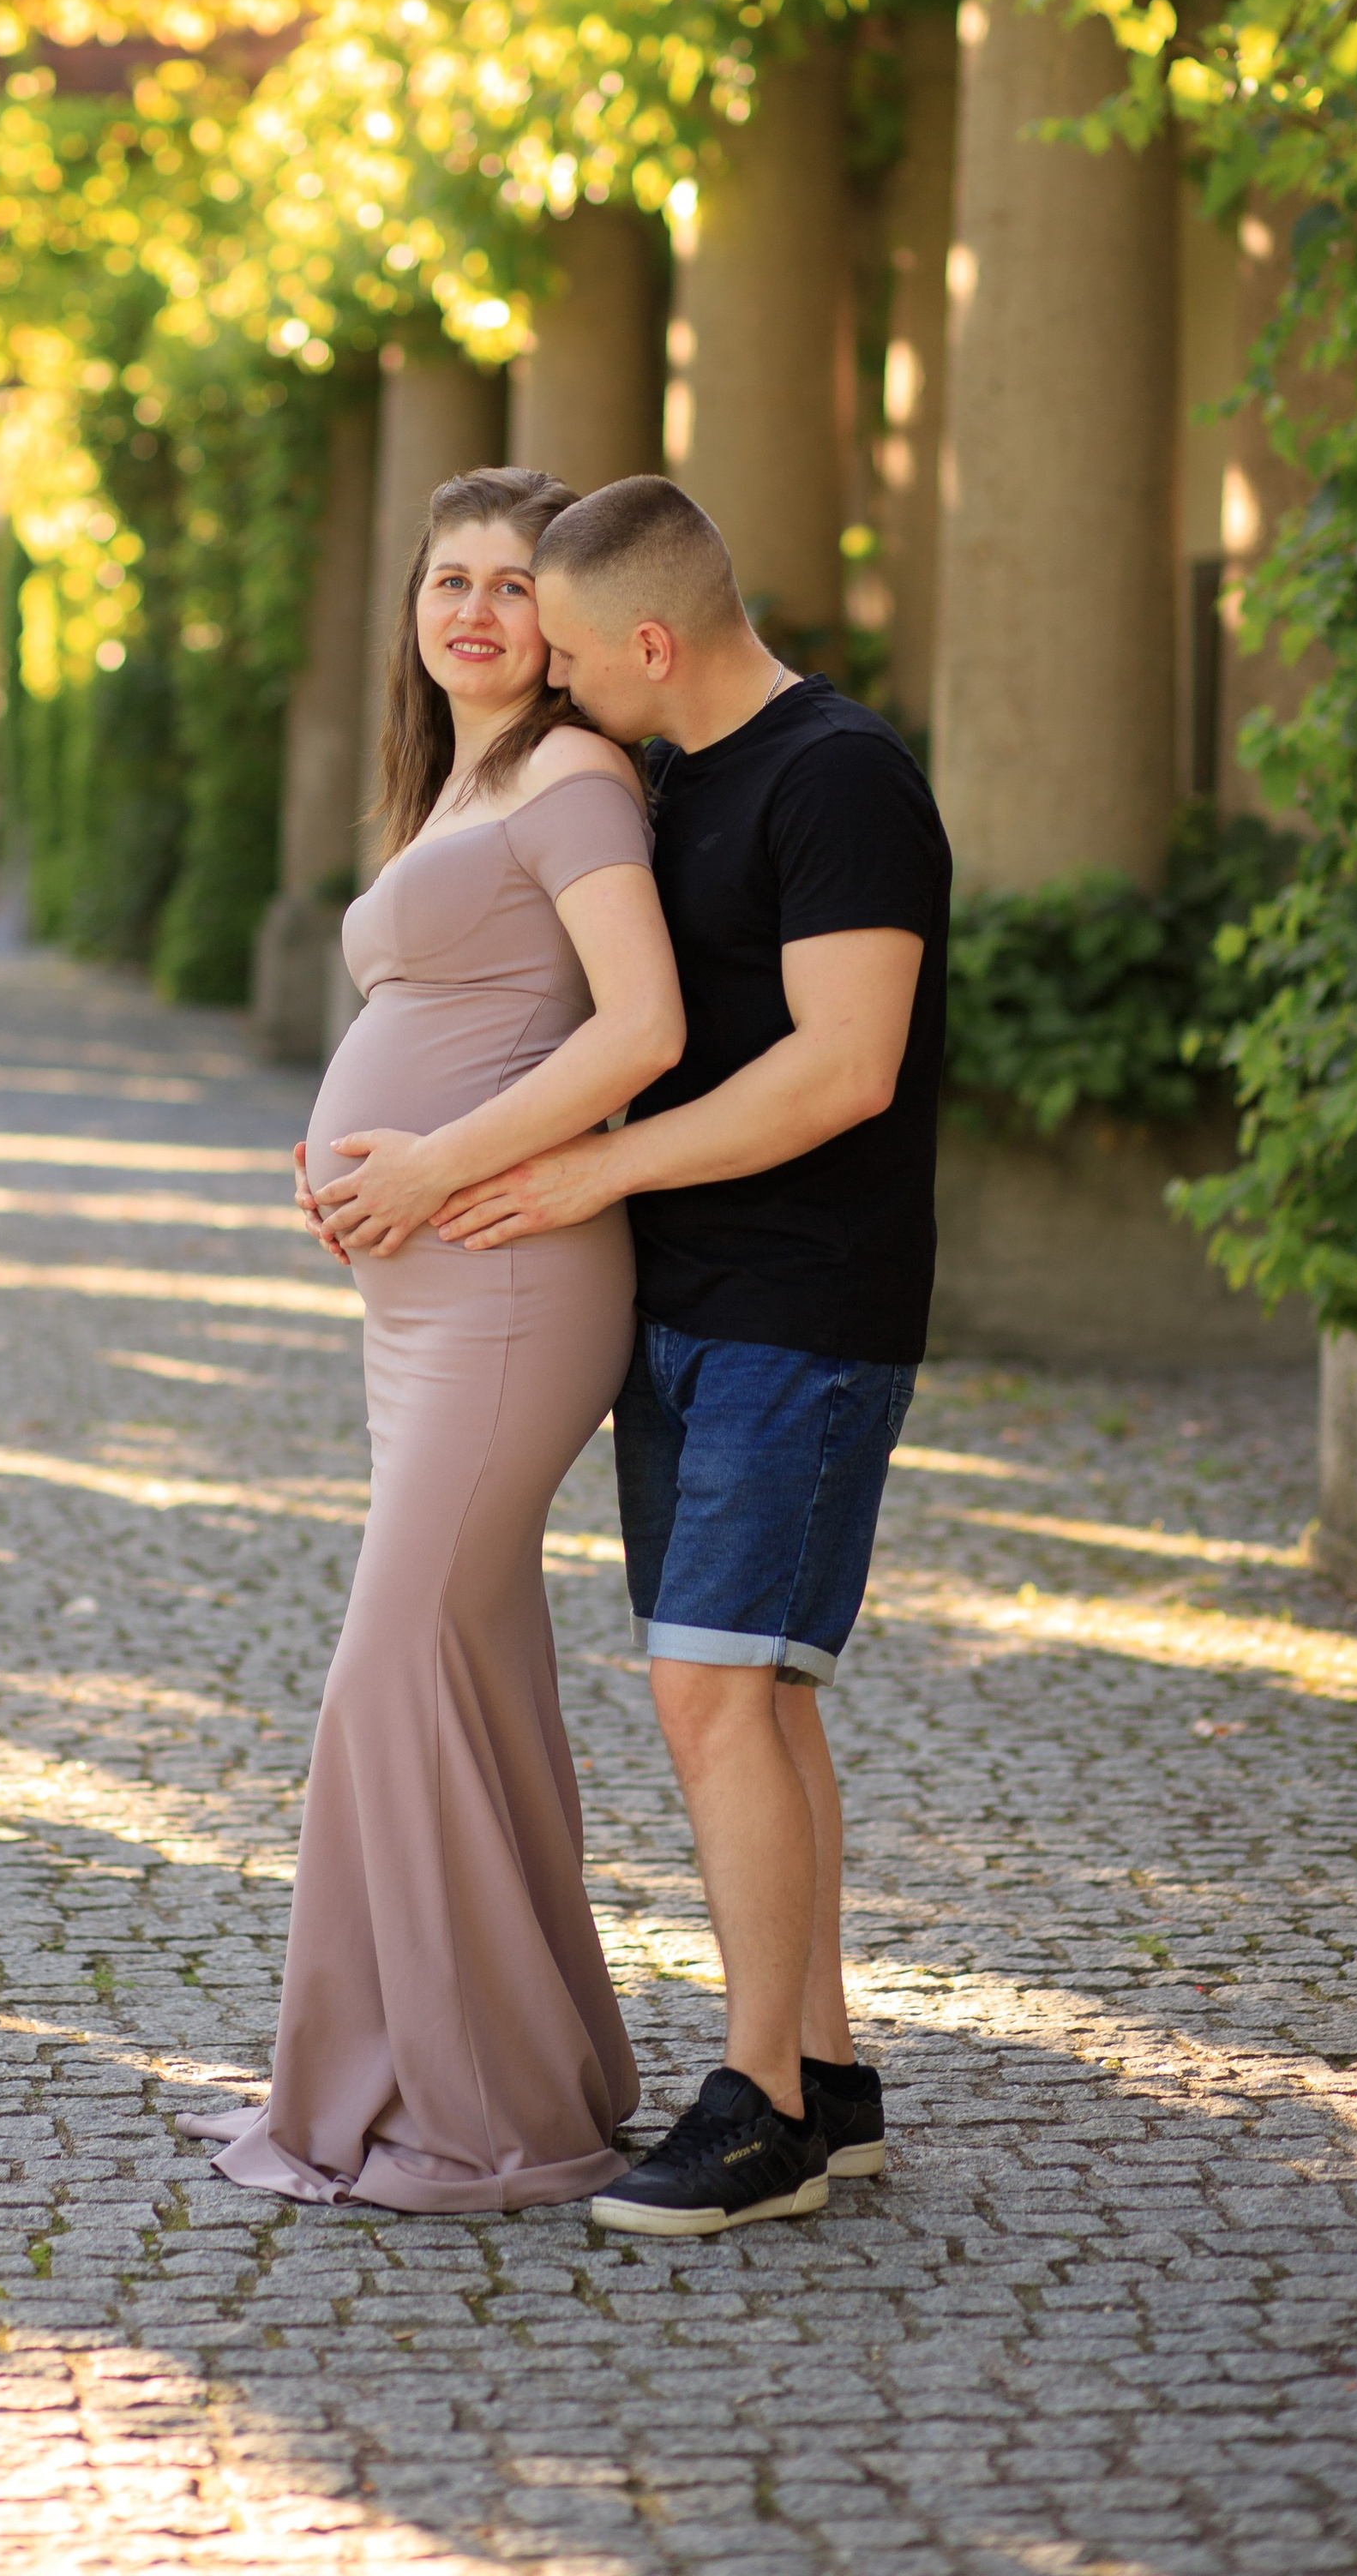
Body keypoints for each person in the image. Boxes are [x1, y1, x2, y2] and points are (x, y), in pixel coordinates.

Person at [430, 475, 952, 2241]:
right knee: (758, 1685)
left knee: (712, 1692)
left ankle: (757, 2118)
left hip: (801, 1309)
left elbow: (842, 1067)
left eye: (569, 648)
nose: (553, 680)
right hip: (686, 1304)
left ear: (650, 641)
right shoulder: (669, 774)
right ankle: (823, 2075)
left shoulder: (839, 780)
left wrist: (594, 1167)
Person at [177, 465, 685, 2210]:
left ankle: (463, 2105)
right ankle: (504, 2066)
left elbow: (639, 1027)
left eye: (505, 583)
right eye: (442, 580)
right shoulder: (461, 775)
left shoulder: (571, 776)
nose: (470, 611)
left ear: (558, 619)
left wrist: (432, 1163)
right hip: (428, 1284)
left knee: (389, 1665)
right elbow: (441, 1013)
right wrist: (336, 1157)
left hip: (510, 1278)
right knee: (463, 1666)